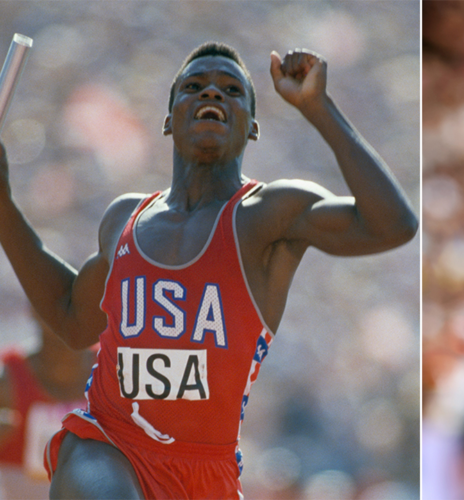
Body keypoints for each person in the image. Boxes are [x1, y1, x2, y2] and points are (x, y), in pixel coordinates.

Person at [0, 41, 417, 499]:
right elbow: (70, 318)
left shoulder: (269, 214)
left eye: (231, 90)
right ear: (168, 119)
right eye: (194, 86)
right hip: (110, 442)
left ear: (252, 127)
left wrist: (317, 108)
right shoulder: (125, 218)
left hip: (206, 473)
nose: (212, 94)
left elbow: (393, 225)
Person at [0, 311, 93, 499]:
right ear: (33, 310)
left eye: (76, 306)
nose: (65, 322)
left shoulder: (113, 369)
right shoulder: (7, 377)